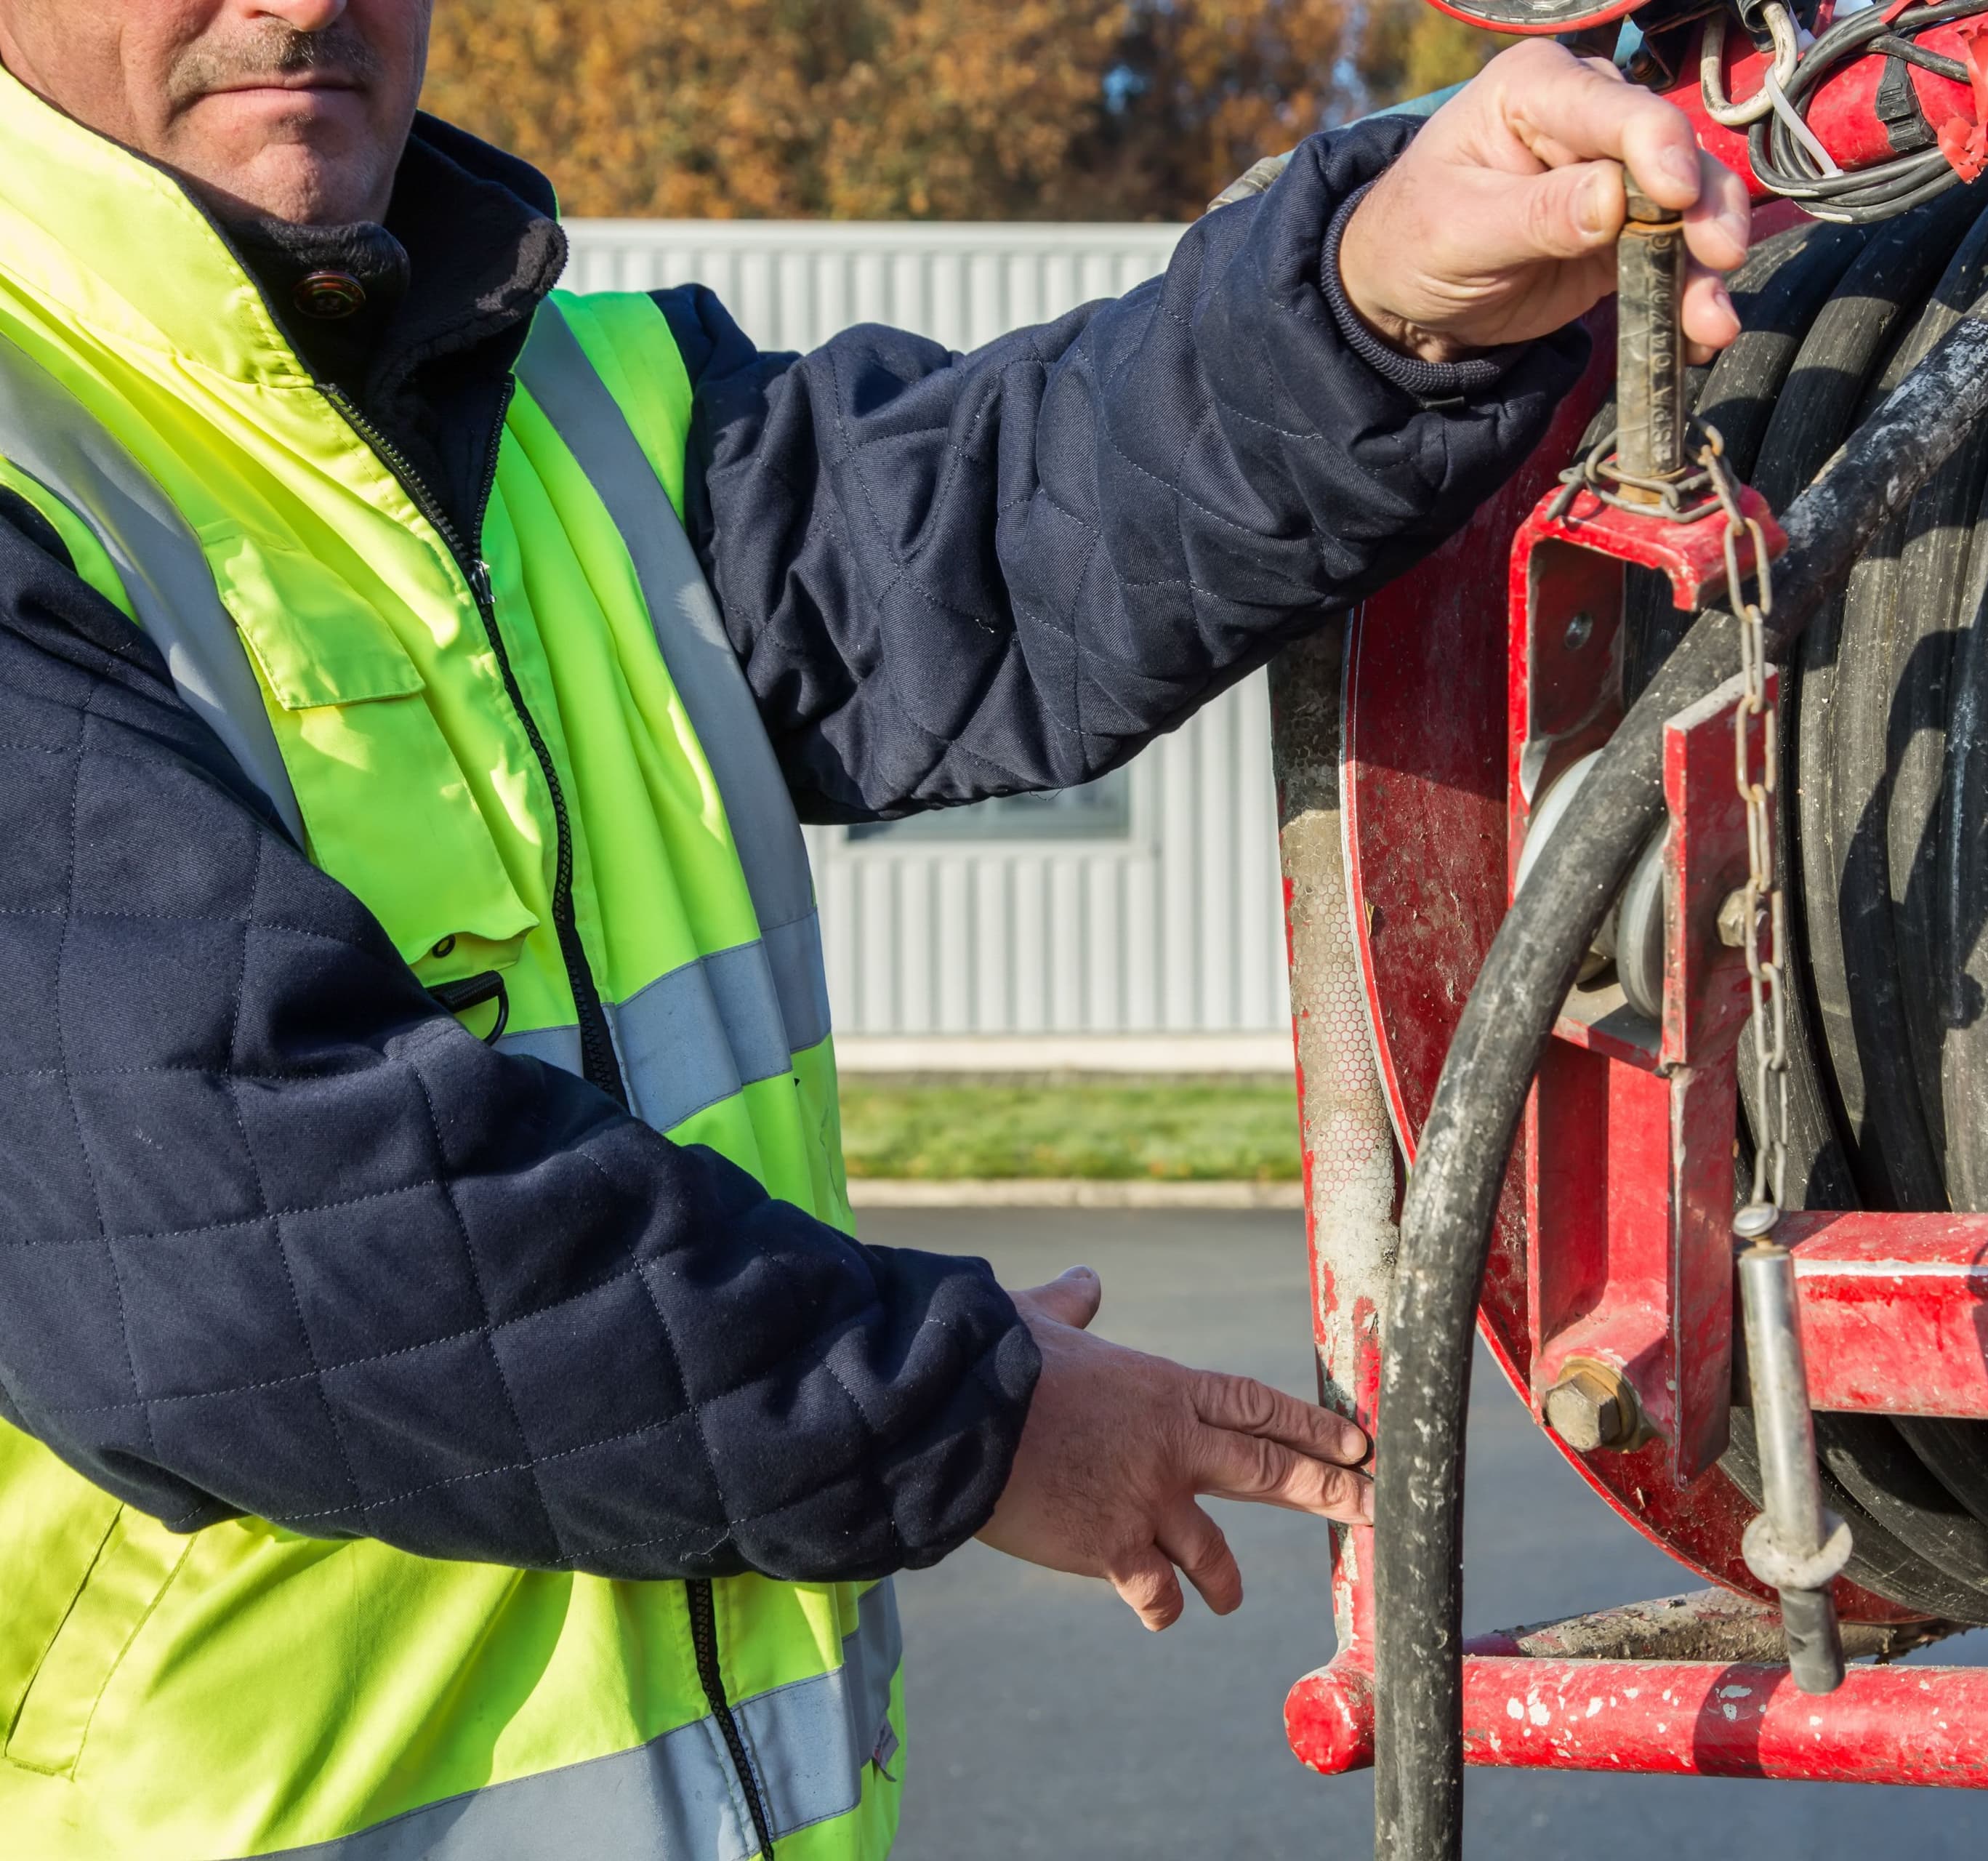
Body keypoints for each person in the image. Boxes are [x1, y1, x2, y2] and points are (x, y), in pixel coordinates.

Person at [0, 1, 1745, 1856]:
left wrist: (1372, 294)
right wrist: (963, 1413)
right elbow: (242, 1238)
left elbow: (996, 529)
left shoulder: (566, 413)